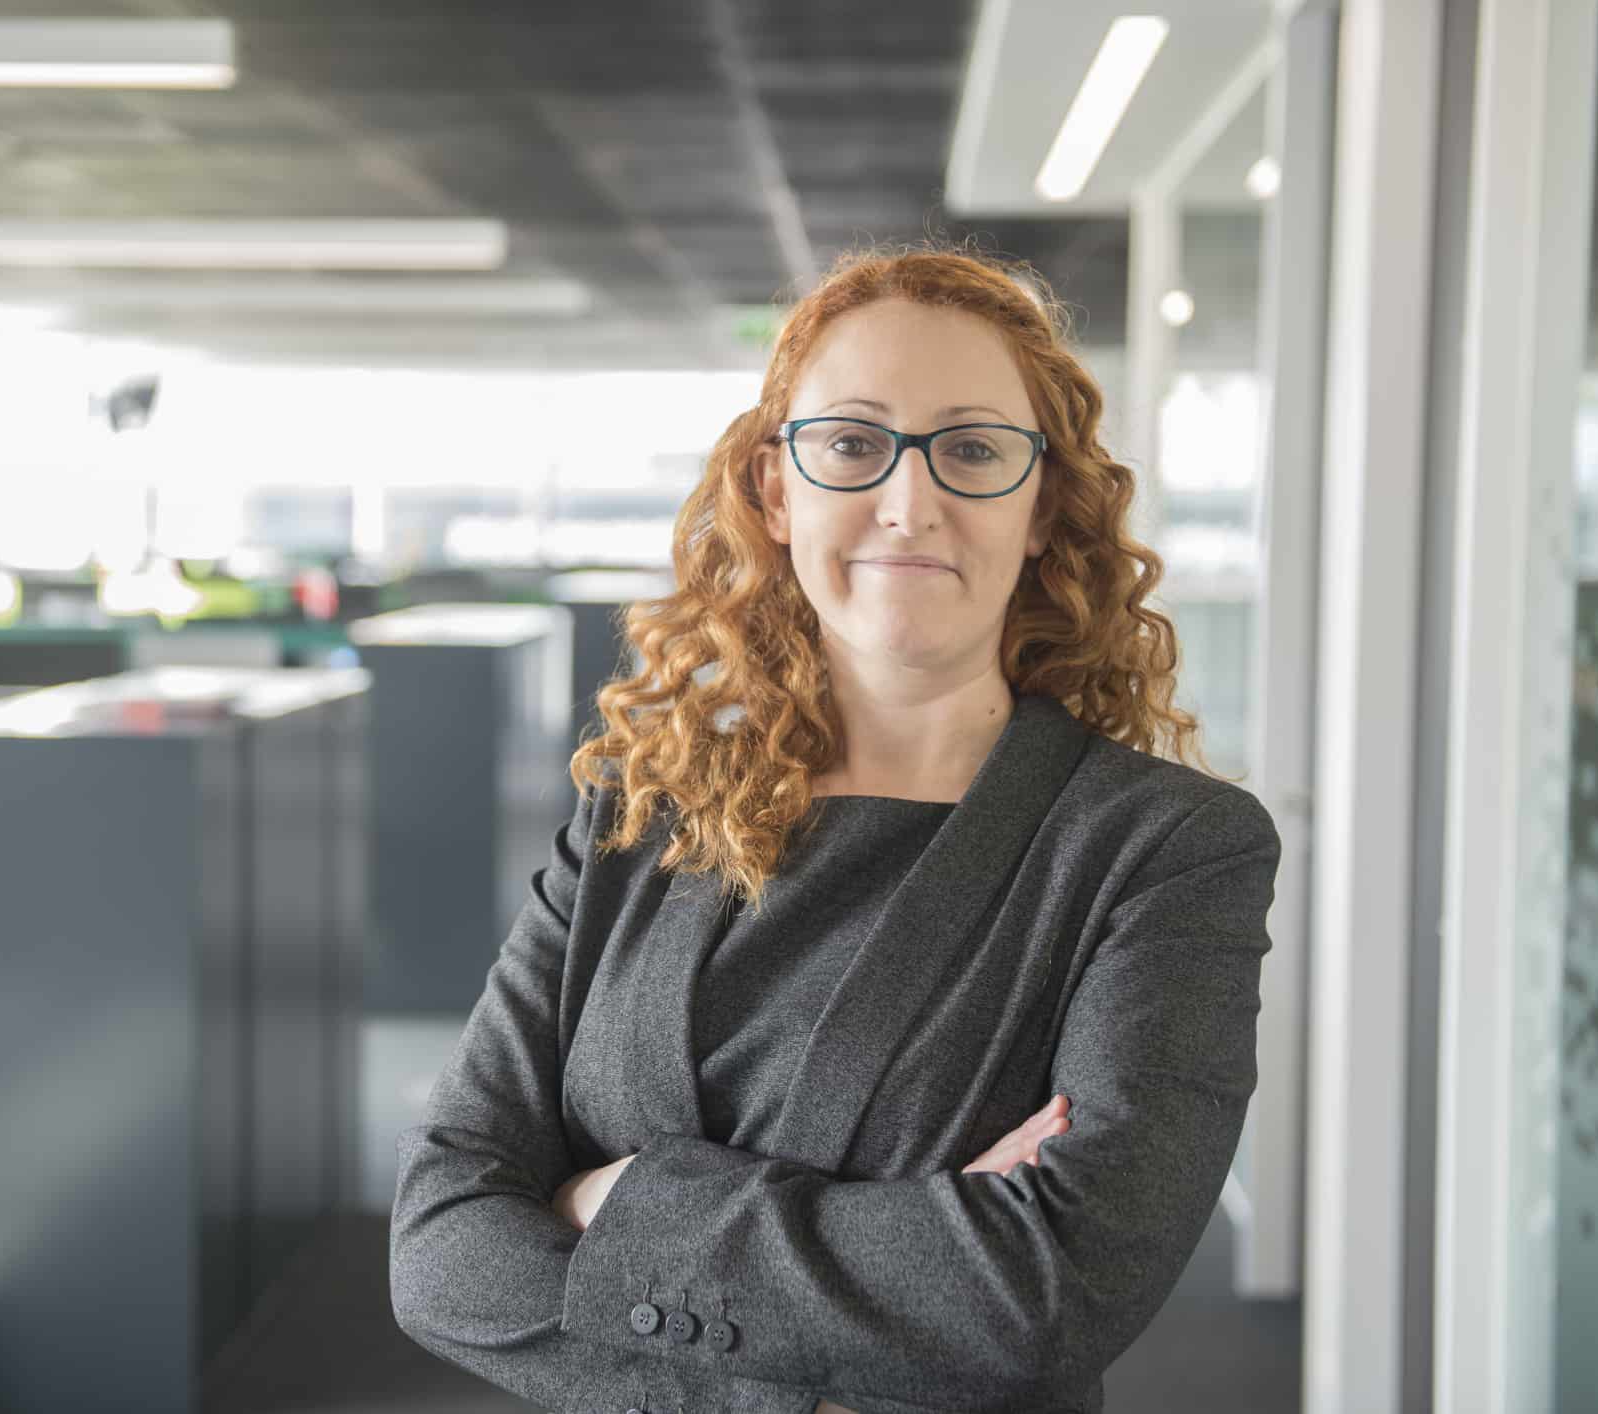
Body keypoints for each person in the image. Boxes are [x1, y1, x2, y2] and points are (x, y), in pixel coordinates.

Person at [389, 242, 1282, 1414]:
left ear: (1042, 502)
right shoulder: (638, 811)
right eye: (853, 445)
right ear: (775, 489)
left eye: (969, 449)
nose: (907, 503)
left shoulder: (1162, 851)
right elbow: (442, 1243)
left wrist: (611, 1199)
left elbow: (1046, 1290)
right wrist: (824, 1367)